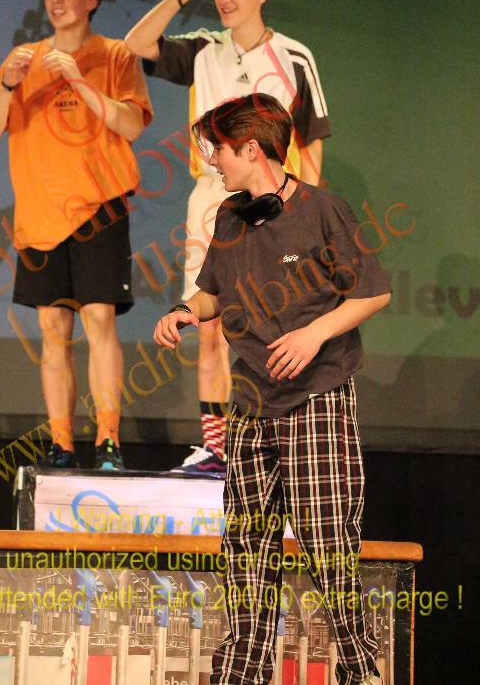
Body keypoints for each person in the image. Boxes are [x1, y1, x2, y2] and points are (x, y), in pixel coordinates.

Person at [153, 94, 390, 685]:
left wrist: (314, 333)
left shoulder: (323, 210)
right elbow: (214, 291)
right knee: (246, 549)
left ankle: (360, 670)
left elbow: (373, 292)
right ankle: (242, 673)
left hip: (317, 398)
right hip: (251, 402)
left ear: (252, 149)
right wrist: (186, 310)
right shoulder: (229, 217)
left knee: (327, 545)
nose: (213, 162)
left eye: (219, 150)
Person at [126, 0, 330, 474]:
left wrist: (303, 211)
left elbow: (311, 141)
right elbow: (135, 45)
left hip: (277, 202)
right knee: (208, 323)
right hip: (213, 200)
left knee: (280, 317)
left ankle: (282, 440)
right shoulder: (204, 49)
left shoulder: (294, 56)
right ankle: (217, 448)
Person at [0, 0, 153, 470]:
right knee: (54, 330)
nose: (55, 1)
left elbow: (132, 125)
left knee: (99, 319)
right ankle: (62, 444)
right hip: (40, 215)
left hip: (99, 207)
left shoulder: (115, 54)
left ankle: (108, 441)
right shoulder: (23, 58)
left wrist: (79, 81)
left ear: (91, 0)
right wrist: (8, 86)